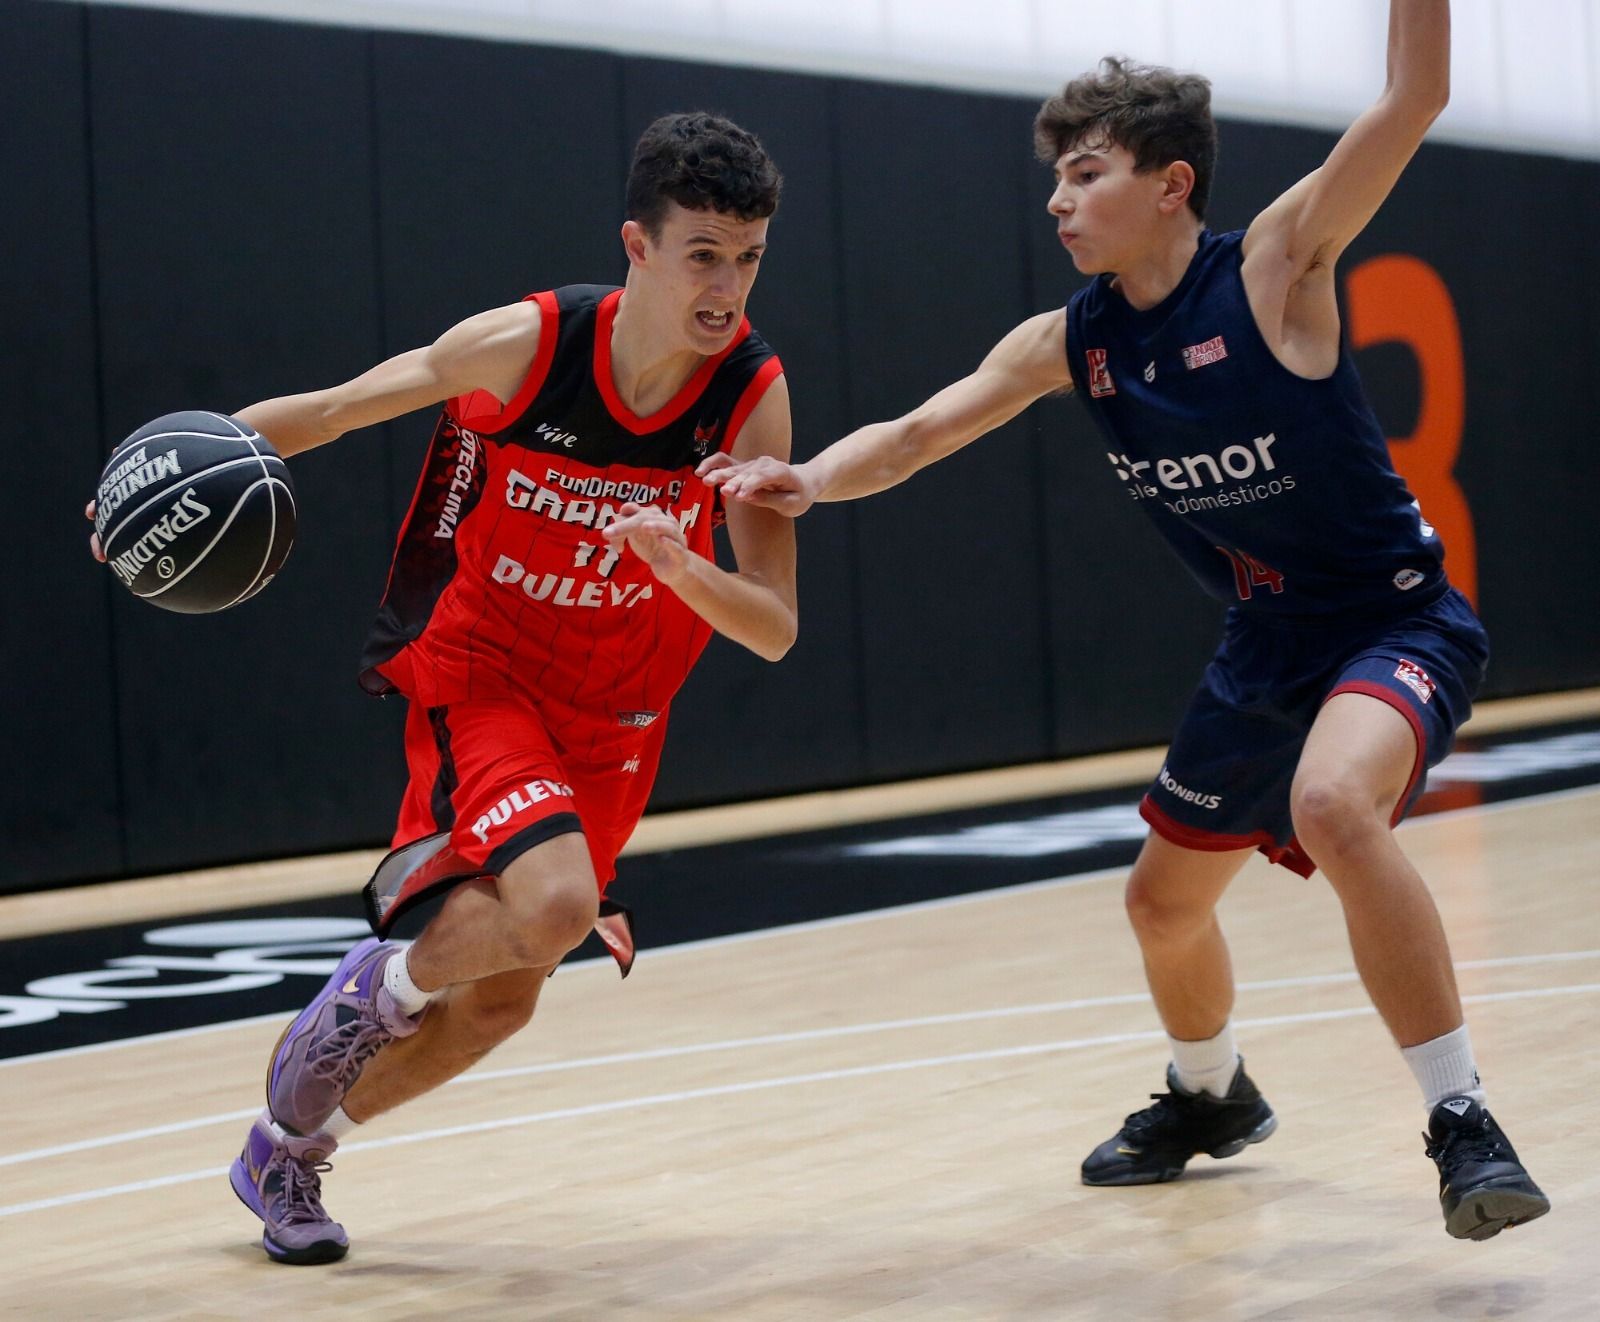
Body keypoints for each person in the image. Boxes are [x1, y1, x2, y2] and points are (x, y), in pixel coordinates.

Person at [700, 2, 1548, 1241]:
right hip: (1264, 647)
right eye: (1054, 176)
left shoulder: (1274, 265)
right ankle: (1211, 1097)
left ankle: (1461, 1117)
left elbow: (1411, 97)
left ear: (1170, 184)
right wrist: (811, 480)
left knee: (1329, 805)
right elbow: (922, 432)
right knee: (1159, 905)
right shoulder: (1072, 340)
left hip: (1391, 623)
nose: (1059, 199)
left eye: (1085, 172)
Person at [91, 112, 797, 1264]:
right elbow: (324, 412)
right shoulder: (525, 344)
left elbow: (772, 626)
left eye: (751, 256)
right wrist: (141, 491)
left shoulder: (749, 392)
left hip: (619, 709)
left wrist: (684, 565)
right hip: (485, 671)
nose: (728, 286)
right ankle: (383, 981)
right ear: (639, 243)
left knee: (508, 997)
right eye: (705, 253)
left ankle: (287, 1144)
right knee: (559, 904)